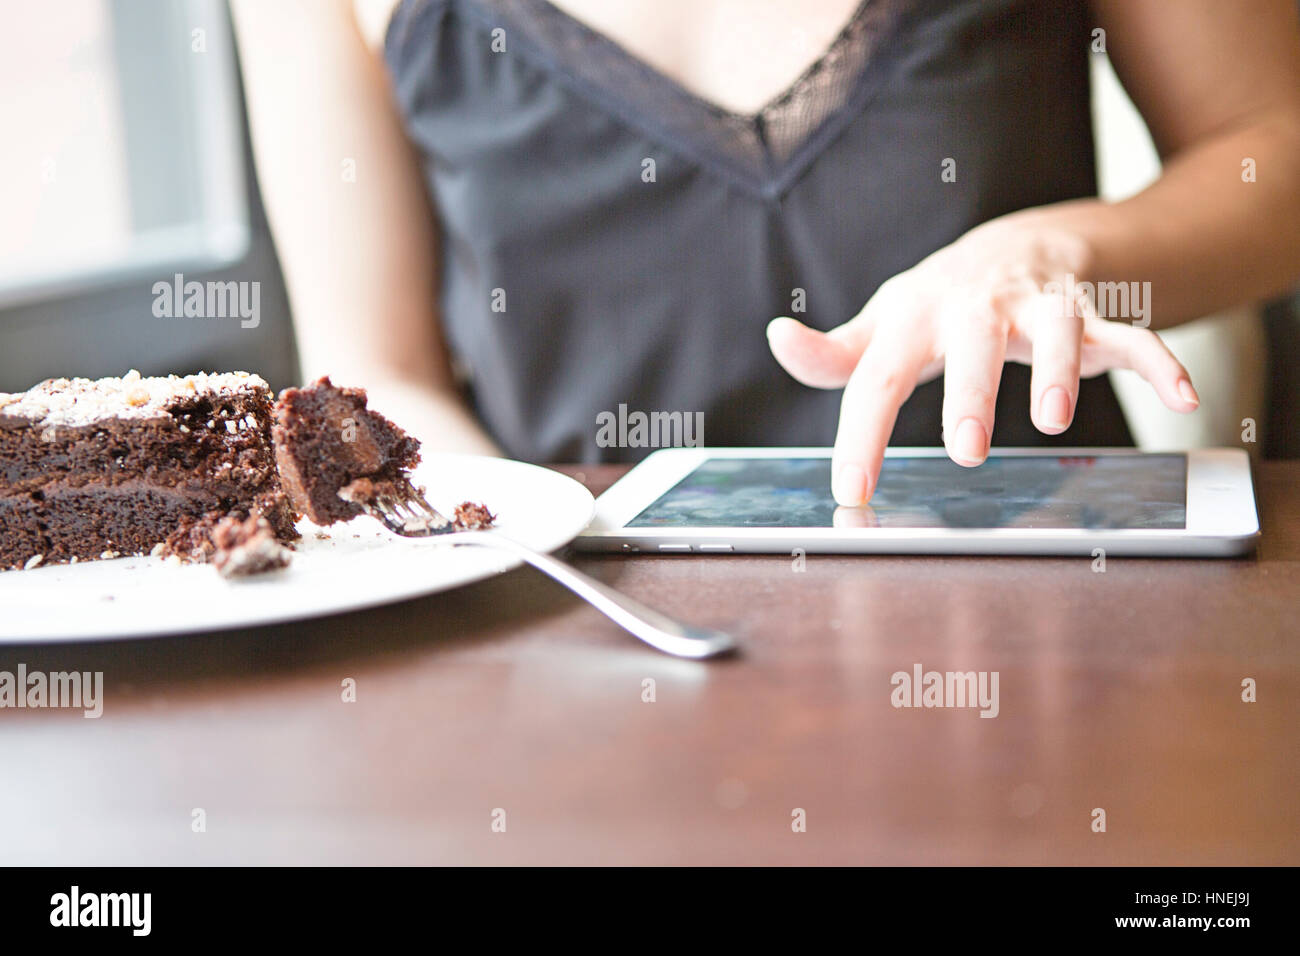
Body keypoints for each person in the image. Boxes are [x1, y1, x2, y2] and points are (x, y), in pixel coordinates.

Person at [232, 0, 1300, 505]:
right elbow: (383, 373)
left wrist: (1053, 248)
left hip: (1061, 600)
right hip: (584, 641)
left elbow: (1273, 147)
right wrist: (516, 550)